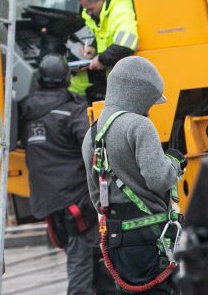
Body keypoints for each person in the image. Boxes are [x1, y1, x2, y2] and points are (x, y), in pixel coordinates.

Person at [81, 56, 185, 294]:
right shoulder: (139, 126)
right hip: (151, 240)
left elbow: (97, 198)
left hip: (116, 241)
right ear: (139, 94)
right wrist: (174, 163)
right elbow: (158, 179)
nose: (149, 109)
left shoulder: (92, 134)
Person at [18, 53, 115, 295]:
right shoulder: (72, 109)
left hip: (48, 200)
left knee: (92, 254)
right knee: (82, 259)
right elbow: (90, 146)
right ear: (66, 78)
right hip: (76, 198)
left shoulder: (25, 110)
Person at [70, 0, 139, 104]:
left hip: (129, 79)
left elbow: (126, 45)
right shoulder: (103, 10)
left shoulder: (121, 11)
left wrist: (101, 59)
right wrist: (93, 48)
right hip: (114, 74)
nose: (88, 13)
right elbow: (104, 34)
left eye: (90, 9)